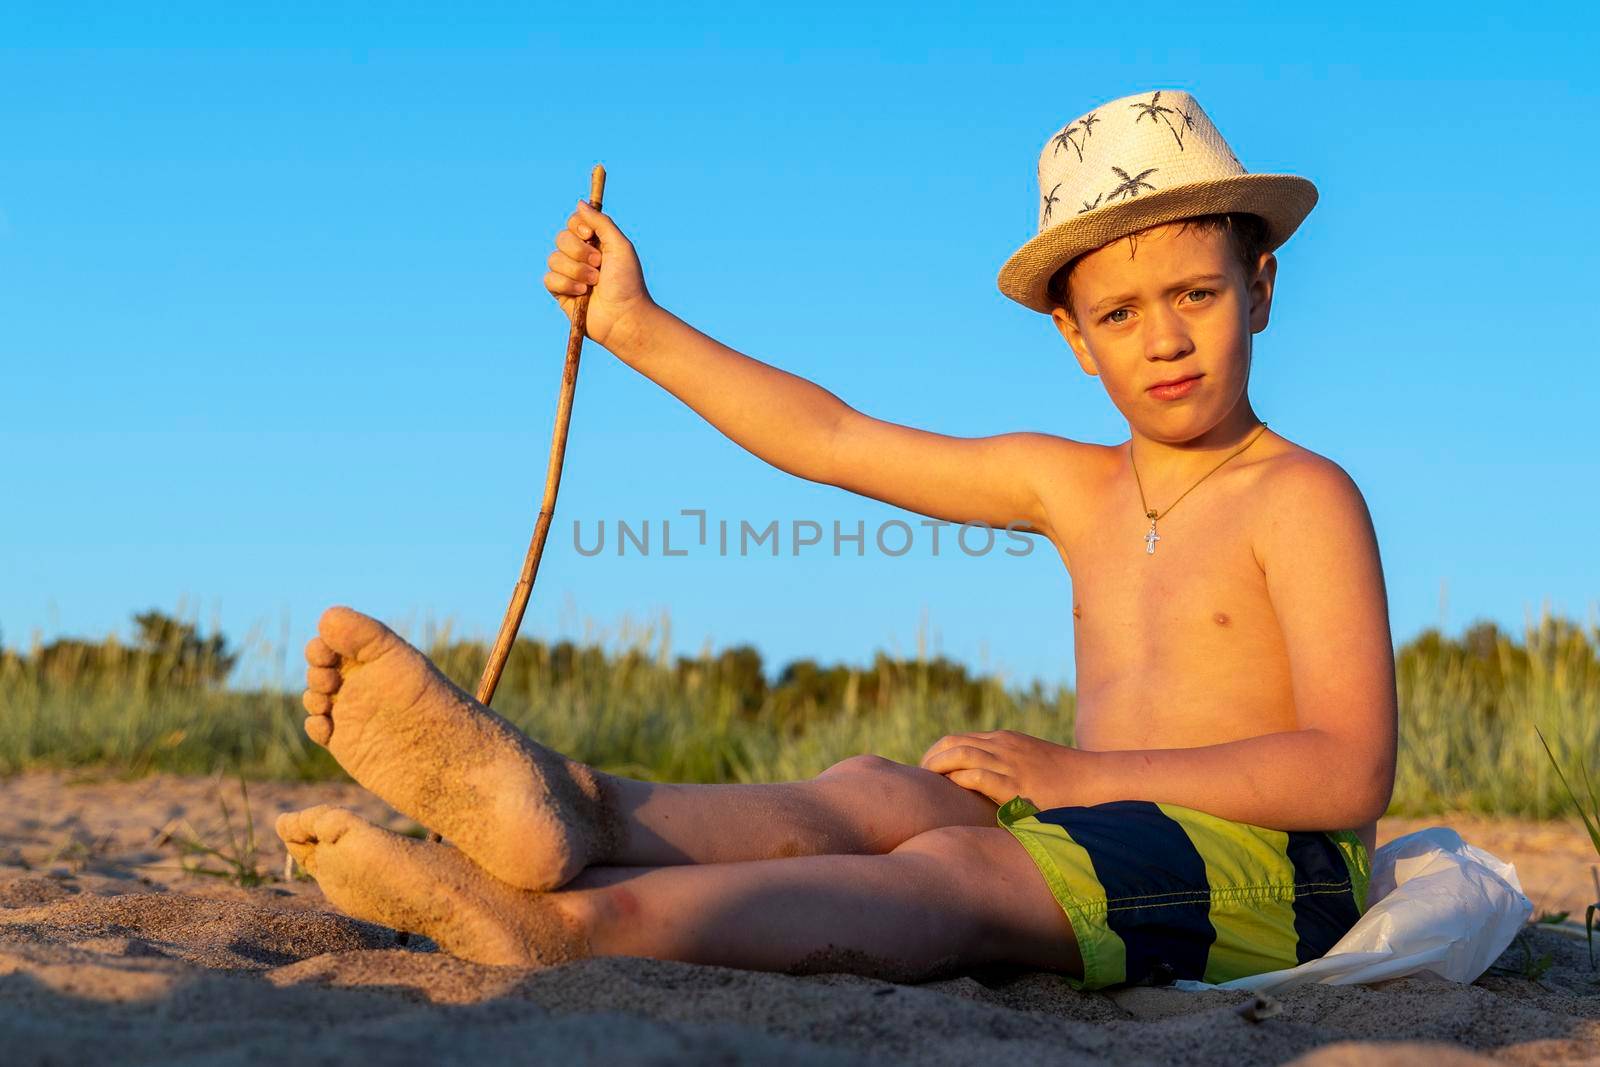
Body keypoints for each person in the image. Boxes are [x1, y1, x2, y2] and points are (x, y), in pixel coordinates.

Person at [276, 88, 1396, 991]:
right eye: (1119, 313)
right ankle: (574, 805)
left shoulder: (1299, 495)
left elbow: (1347, 770)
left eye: (1195, 294)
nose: (1163, 340)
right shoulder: (1073, 484)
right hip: (1099, 829)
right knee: (875, 790)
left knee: (950, 865)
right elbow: (831, 437)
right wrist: (633, 324)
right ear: (1072, 339)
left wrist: (1077, 772)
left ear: (1259, 288)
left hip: (1270, 875)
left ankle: (572, 923)